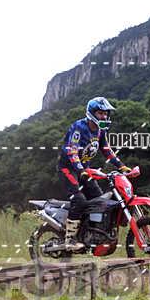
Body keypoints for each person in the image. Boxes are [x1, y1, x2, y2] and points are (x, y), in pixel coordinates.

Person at [58, 97, 131, 250]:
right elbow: (72, 152)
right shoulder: (79, 127)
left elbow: (106, 150)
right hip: (69, 169)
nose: (104, 116)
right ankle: (69, 240)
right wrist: (80, 170)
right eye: (100, 113)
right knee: (79, 200)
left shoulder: (100, 130)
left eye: (106, 113)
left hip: (85, 170)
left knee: (99, 201)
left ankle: (90, 234)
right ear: (92, 113)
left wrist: (121, 166)